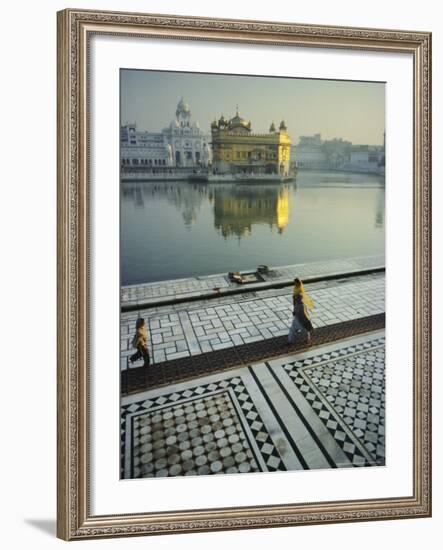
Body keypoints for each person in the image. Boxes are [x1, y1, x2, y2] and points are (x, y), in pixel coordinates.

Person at [288, 278, 314, 344]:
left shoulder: (301, 303)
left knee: (301, 329)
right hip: (298, 317)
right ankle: (291, 341)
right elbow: (295, 303)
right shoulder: (297, 302)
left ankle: (306, 339)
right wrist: (294, 311)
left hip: (301, 319)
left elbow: (303, 313)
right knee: (293, 329)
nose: (295, 284)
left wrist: (295, 312)